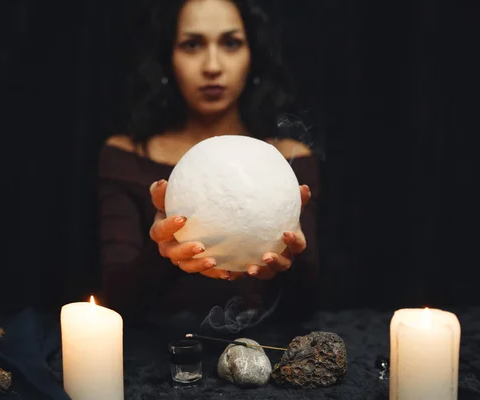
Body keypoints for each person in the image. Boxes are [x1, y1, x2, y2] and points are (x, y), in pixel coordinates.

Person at [98, 0, 320, 326]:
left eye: (231, 43)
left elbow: (308, 307)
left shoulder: (289, 160)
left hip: (261, 354)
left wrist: (293, 259)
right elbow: (114, 305)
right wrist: (163, 251)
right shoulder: (127, 156)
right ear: (167, 58)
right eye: (192, 45)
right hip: (157, 357)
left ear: (252, 56)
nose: (212, 65)